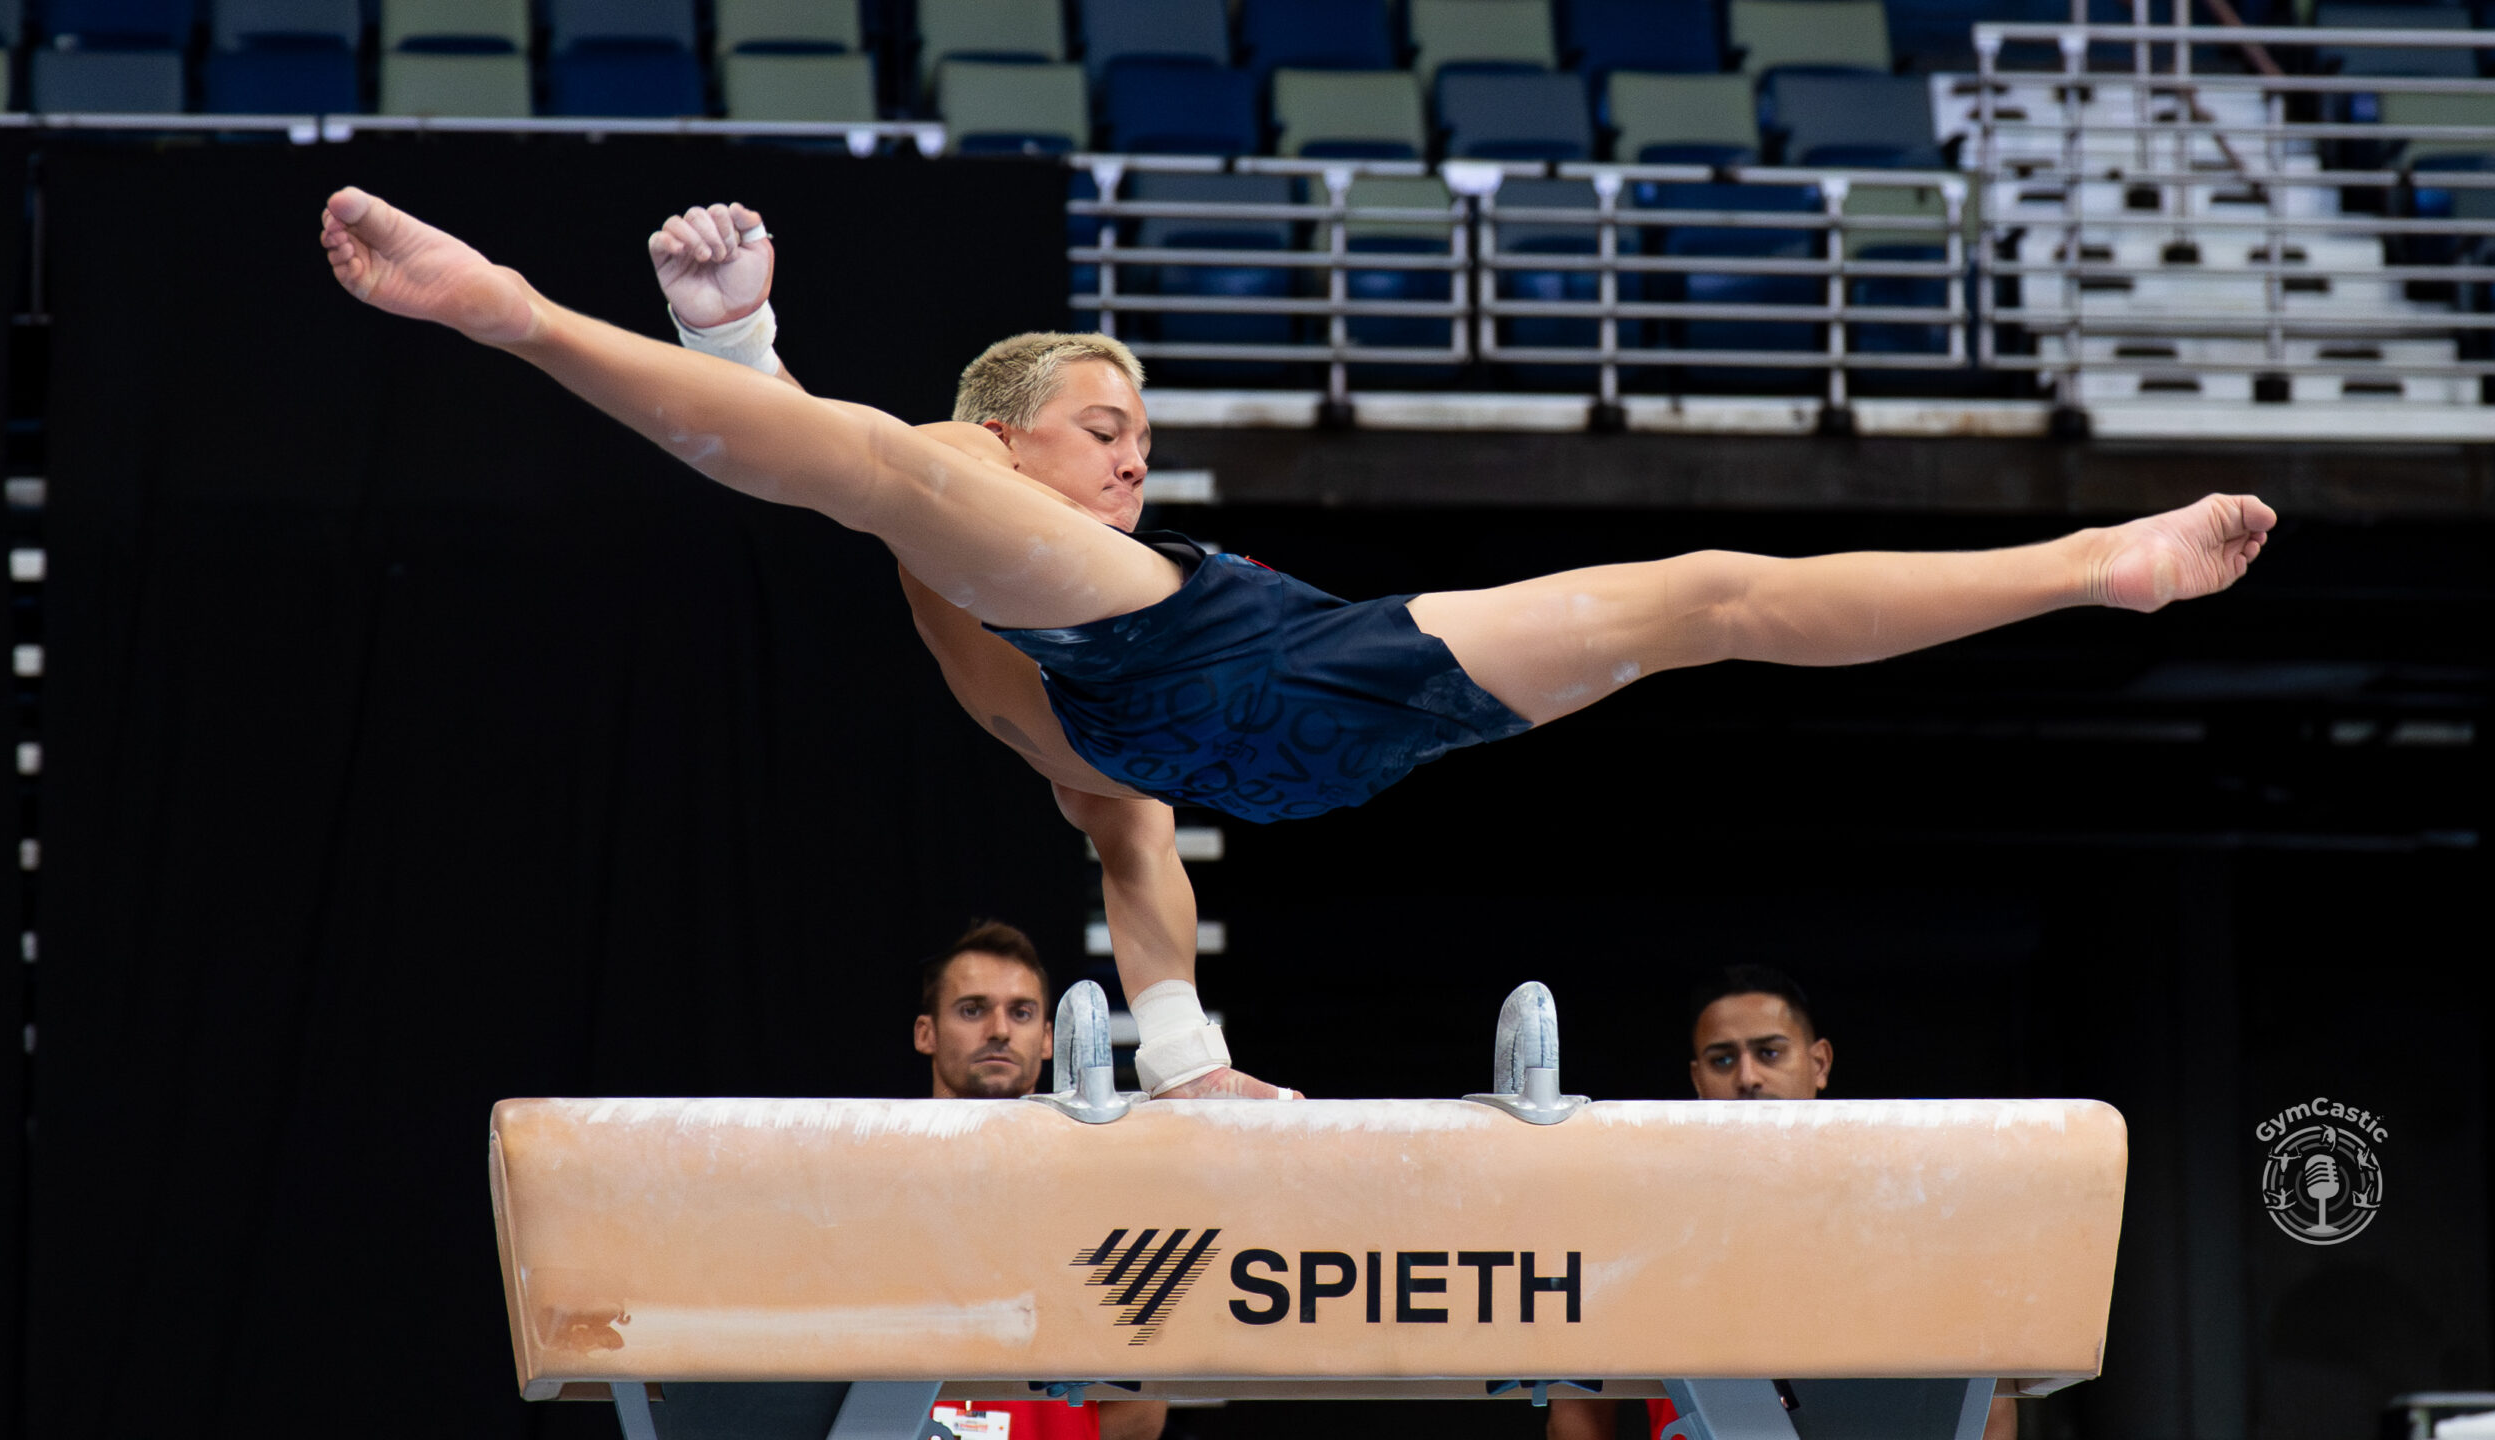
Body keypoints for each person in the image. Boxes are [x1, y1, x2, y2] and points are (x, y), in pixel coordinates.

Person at [316, 187, 2276, 1103]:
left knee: (1709, 598)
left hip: (1292, 691)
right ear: (1006, 437)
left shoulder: (1012, 599)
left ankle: (2095, 565)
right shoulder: (962, 495)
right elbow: (863, 474)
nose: (1132, 456)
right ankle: (510, 310)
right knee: (890, 484)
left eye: (1144, 435)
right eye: (1103, 429)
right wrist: (725, 351)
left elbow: (1127, 840)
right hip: (1203, 695)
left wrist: (1181, 1051)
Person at [1545, 965, 2015, 1440]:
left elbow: (1988, 1404)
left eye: (1769, 1053)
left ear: (1820, 1063)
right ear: (1697, 1079)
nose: (1748, 1077)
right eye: (1723, 1060)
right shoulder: (1645, 1225)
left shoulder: (1902, 1216)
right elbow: (1577, 1411)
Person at [913, 921, 1170, 1440]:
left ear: (1049, 1038)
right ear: (927, 1033)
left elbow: (1140, 1415)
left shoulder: (1101, 1192)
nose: (999, 1030)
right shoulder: (884, 1183)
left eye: (1021, 1012)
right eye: (973, 1010)